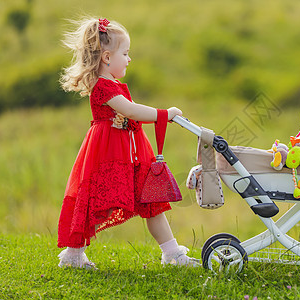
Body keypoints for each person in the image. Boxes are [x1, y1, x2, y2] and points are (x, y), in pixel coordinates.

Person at [57, 17, 198, 269]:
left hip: (131, 152)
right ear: (107, 57)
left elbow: (128, 114)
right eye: (126, 53)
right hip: (109, 154)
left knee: (151, 202)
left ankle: (172, 253)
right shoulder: (103, 87)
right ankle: (73, 255)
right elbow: (131, 111)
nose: (129, 59)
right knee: (99, 202)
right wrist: (165, 114)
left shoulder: (113, 84)